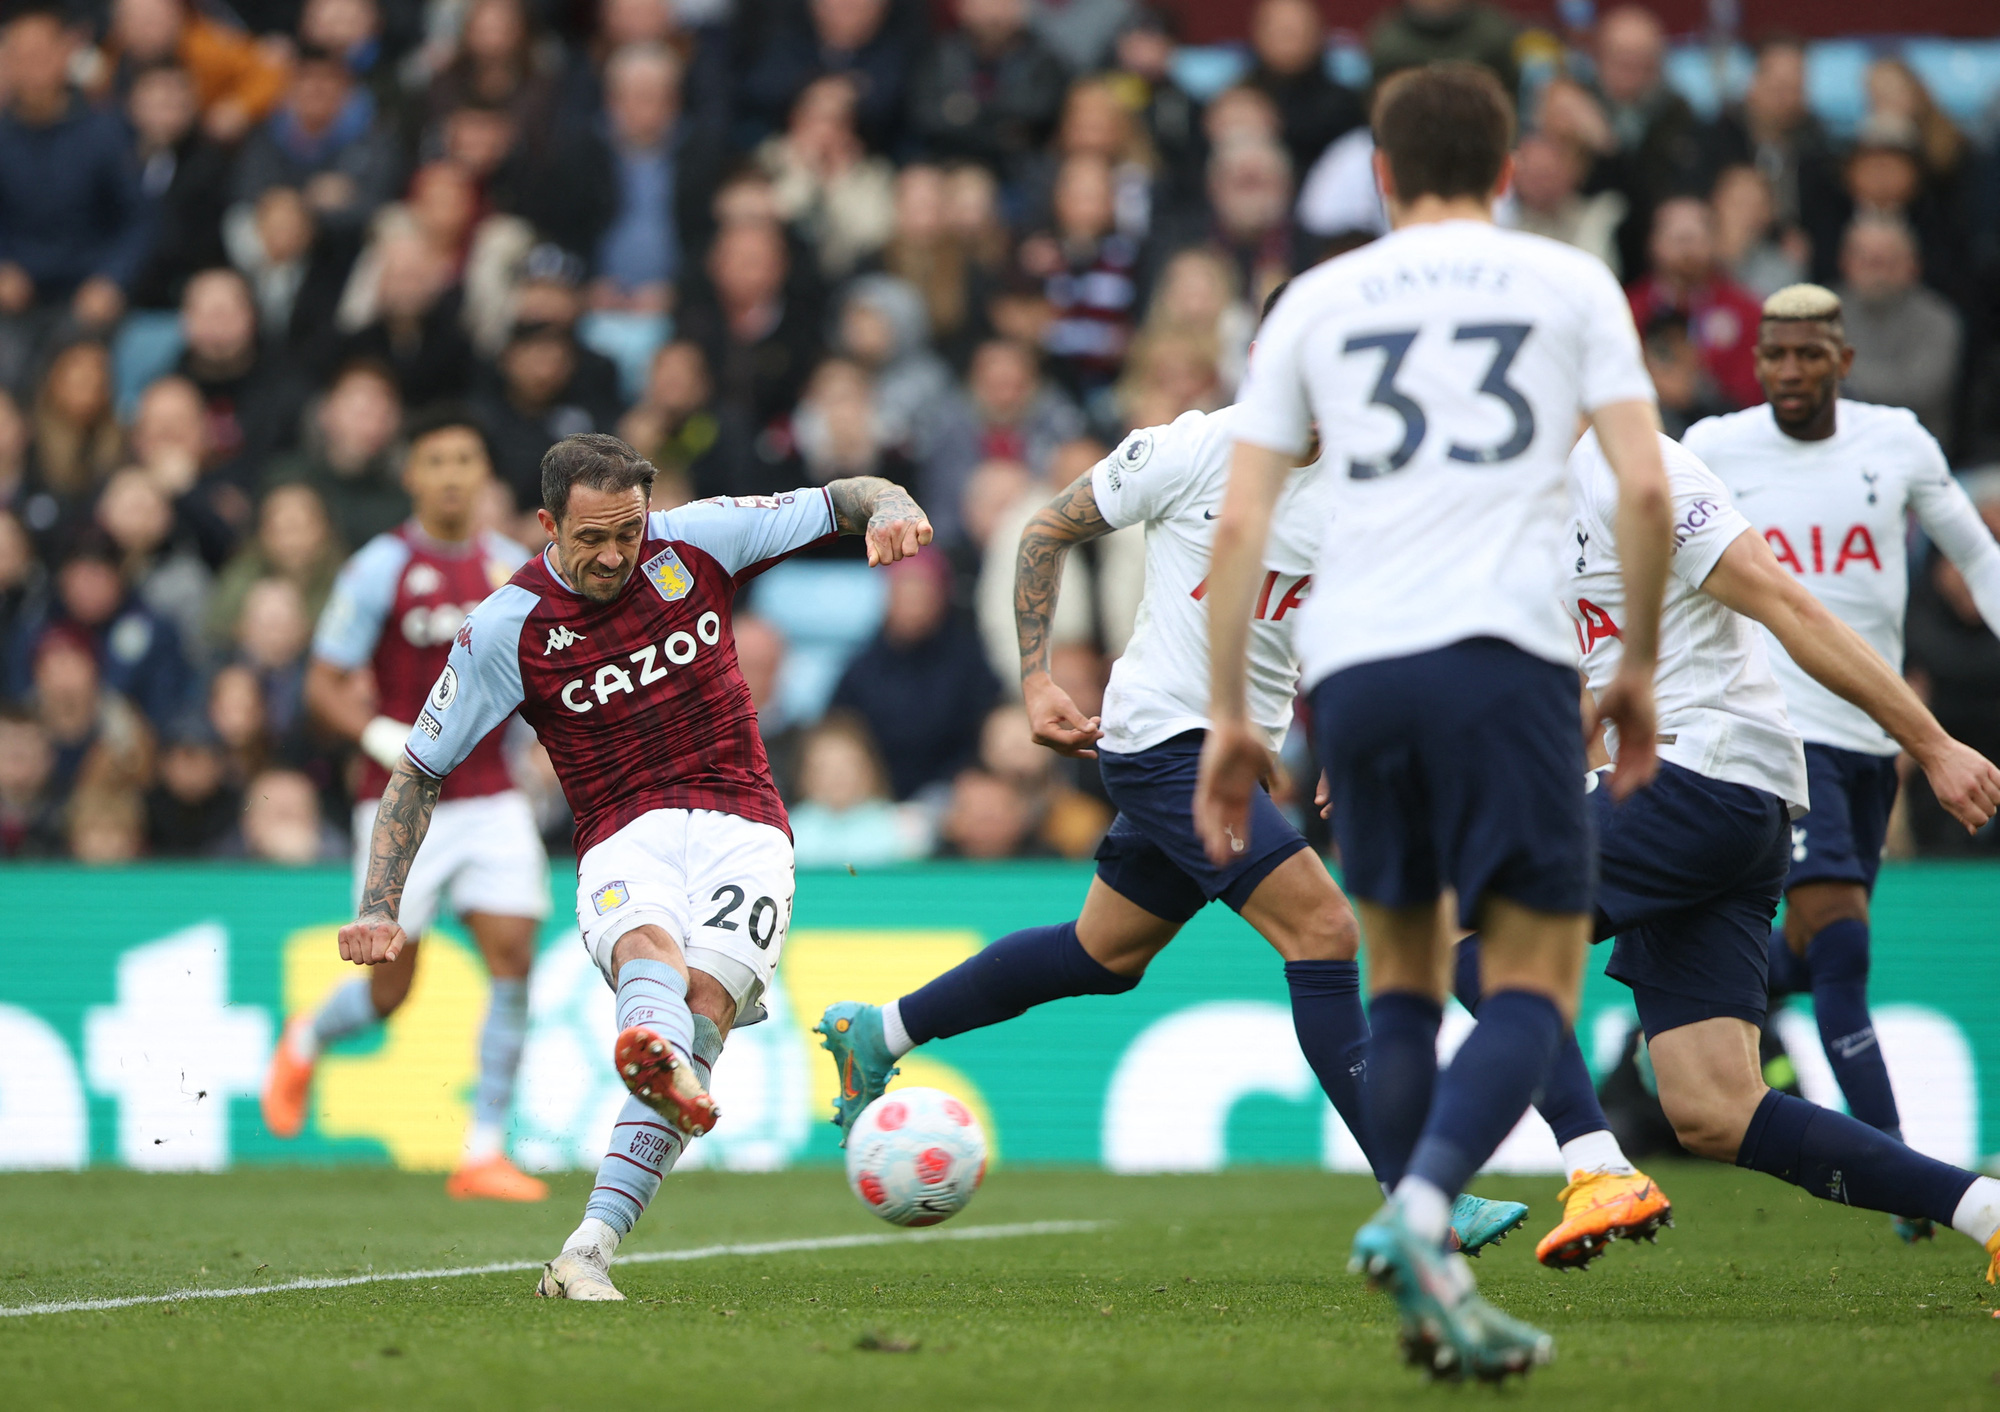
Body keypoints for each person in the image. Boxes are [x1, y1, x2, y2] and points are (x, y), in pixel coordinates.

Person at [818, 282, 1529, 1256]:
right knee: (1322, 926)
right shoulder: (1194, 447)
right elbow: (1044, 529)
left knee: (1099, 954)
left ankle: (879, 1030)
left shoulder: (1372, 486)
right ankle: (1417, 1191)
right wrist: (1033, 680)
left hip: (1237, 746)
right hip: (1161, 741)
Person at [1194, 63, 1672, 1378]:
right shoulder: (1569, 282)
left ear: (1384, 174)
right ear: (1511, 165)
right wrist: (1636, 663)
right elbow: (1639, 487)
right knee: (1531, 978)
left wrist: (1238, 713)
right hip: (1504, 659)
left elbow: (1241, 524)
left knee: (1401, 978)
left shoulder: (1313, 297)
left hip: (1355, 671)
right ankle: (1418, 1214)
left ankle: (1428, 1299)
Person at [329, 433, 931, 1300]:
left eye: (629, 533)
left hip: (744, 823)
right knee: (649, 955)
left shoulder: (701, 538)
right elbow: (419, 770)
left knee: (707, 1014)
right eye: (592, 540)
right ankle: (652, 1046)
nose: (616, 555)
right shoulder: (507, 626)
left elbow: (847, 496)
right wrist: (382, 903)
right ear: (546, 525)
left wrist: (896, 504)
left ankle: (587, 1248)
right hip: (622, 828)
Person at [1456, 423, 2000, 1288]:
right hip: (1711, 803)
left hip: (1699, 775)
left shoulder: (1643, 469)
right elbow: (1598, 679)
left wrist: (1931, 745)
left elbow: (1788, 603)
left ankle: (1597, 1169)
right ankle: (1988, 1214)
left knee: (1465, 918)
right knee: (1714, 1108)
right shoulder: (1533, 499)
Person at [1683, 284, 2000, 1239]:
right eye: (1774, 355)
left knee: (1819, 947)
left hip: (1871, 739)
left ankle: (1733, 998)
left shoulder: (1896, 442)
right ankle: (1910, 1172)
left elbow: (1976, 557)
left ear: (1842, 360)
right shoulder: (1713, 448)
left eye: (1807, 356)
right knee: (1845, 941)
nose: (1788, 371)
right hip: (1770, 730)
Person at [260, 405, 552, 1201]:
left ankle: (484, 1150)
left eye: (466, 460)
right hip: (401, 801)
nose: (453, 475)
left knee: (514, 958)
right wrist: (376, 734)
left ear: (483, 475)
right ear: (411, 474)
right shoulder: (378, 568)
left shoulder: (513, 566)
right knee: (392, 986)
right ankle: (307, 1036)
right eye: (437, 460)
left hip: (491, 793)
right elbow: (322, 683)